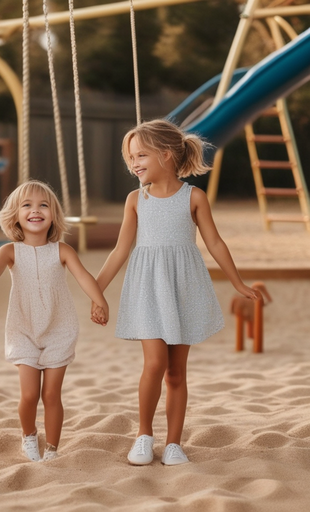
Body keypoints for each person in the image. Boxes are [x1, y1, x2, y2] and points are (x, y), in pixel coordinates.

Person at [93, 119, 259, 466]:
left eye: (140, 155)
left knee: (176, 373)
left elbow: (214, 242)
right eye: (130, 158)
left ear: (166, 155)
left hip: (183, 287)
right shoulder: (136, 200)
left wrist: (238, 282)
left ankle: (173, 444)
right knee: (154, 363)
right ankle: (143, 435)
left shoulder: (193, 197)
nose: (133, 163)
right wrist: (97, 291)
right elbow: (120, 250)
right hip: (148, 288)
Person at [0, 180, 108, 462]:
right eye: (27, 205)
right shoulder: (9, 251)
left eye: (43, 205)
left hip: (59, 329)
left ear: (53, 214)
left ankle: (53, 449)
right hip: (23, 329)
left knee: (52, 394)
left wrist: (99, 300)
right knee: (30, 394)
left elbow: (84, 277)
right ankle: (29, 436)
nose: (36, 210)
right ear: (16, 215)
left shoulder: (62, 250)